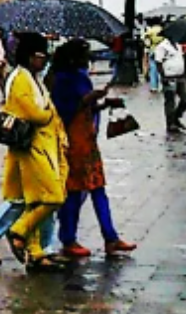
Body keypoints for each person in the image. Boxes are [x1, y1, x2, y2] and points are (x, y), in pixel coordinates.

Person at [48, 39, 138, 259]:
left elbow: (86, 106)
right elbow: (66, 110)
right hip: (73, 141)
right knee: (74, 191)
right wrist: (90, 97)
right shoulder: (61, 79)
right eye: (84, 55)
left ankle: (111, 237)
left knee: (98, 189)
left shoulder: (79, 76)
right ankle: (68, 238)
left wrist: (103, 103)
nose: (88, 60)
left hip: (87, 139)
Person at [0, 33, 68, 272]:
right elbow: (32, 112)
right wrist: (48, 113)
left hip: (44, 146)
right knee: (54, 196)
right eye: (41, 56)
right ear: (30, 56)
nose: (44, 60)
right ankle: (18, 230)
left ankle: (36, 252)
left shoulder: (33, 78)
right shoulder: (20, 79)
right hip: (32, 148)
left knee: (36, 200)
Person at [153, 35, 186, 133]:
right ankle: (170, 123)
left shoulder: (178, 45)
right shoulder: (162, 46)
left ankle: (176, 117)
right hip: (169, 77)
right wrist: (163, 76)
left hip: (180, 76)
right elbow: (158, 62)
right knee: (170, 101)